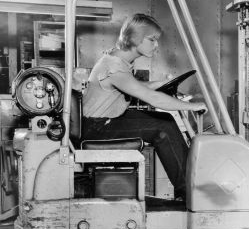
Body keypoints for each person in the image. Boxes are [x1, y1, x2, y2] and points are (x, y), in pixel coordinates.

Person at [82, 13, 206, 200]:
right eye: (152, 40)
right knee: (162, 128)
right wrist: (193, 106)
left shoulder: (119, 60)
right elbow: (151, 98)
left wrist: (165, 83)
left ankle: (188, 186)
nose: (156, 46)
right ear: (135, 38)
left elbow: (137, 87)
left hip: (105, 121)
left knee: (165, 120)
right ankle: (189, 193)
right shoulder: (114, 67)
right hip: (98, 127)